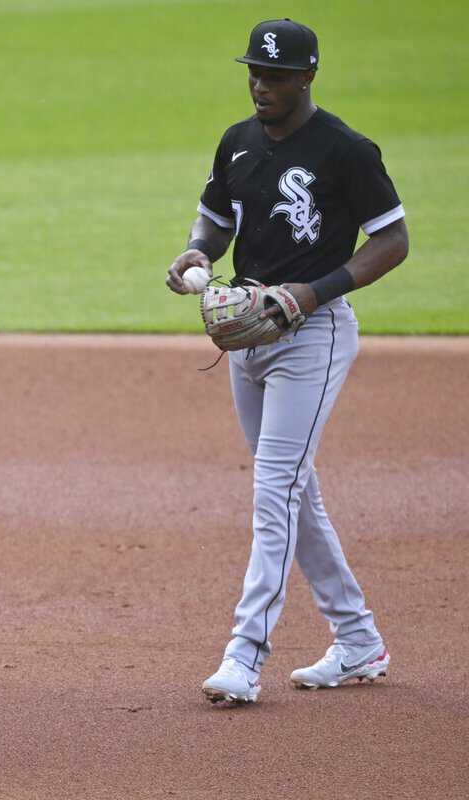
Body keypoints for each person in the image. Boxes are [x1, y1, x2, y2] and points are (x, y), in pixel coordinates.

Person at [164, 19, 409, 704]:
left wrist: (313, 292)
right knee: (295, 491)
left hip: (315, 334)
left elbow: (392, 240)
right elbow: (216, 216)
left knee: (275, 490)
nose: (260, 84)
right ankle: (358, 640)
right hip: (251, 336)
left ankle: (245, 656)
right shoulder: (238, 143)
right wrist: (197, 254)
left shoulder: (345, 150)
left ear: (307, 76)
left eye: (274, 75)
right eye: (253, 71)